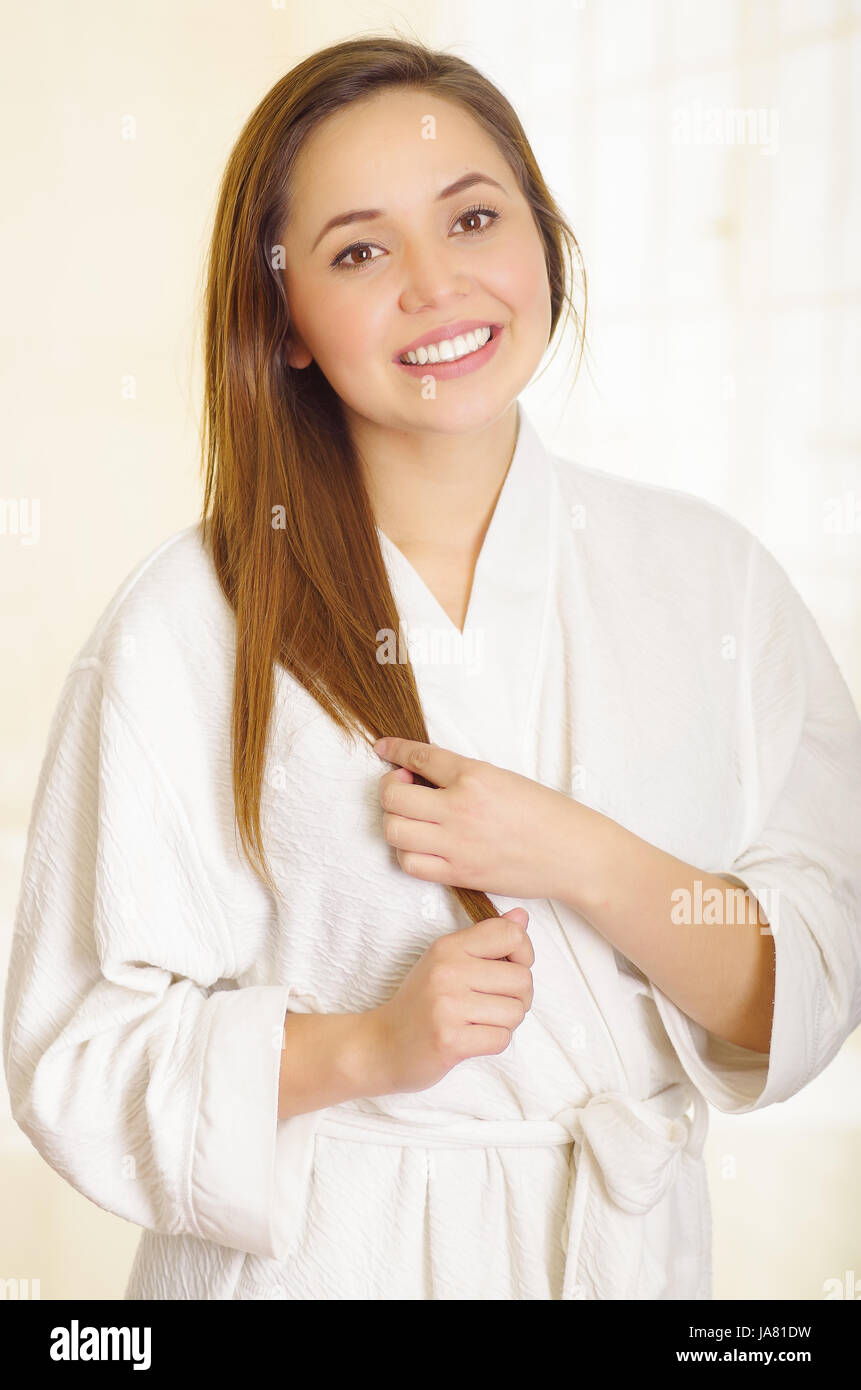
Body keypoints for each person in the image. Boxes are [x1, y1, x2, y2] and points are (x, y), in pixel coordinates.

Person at [4, 35, 861, 1302]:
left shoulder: (714, 580)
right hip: (313, 1265)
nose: (436, 284)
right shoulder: (189, 619)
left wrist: (574, 853)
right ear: (285, 321)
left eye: (472, 217)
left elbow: (808, 984)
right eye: (359, 251)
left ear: (545, 242)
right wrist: (365, 1048)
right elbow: (77, 1051)